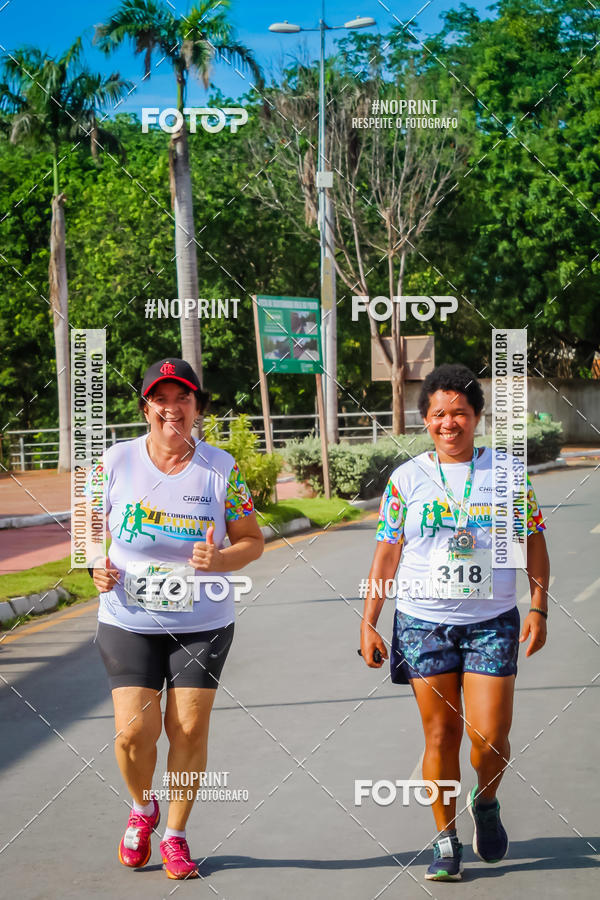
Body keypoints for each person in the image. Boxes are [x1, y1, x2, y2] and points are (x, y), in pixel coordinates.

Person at [360, 363, 549, 881]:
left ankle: (485, 802)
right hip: (423, 622)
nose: (450, 423)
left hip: (492, 620)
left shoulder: (508, 473)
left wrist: (538, 606)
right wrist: (370, 619)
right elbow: (386, 554)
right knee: (441, 735)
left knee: (489, 739)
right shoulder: (407, 478)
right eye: (439, 414)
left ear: (477, 417)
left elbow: (533, 540)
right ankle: (445, 842)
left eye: (460, 413)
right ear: (426, 420)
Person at [90, 358, 264, 880]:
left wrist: (222, 559)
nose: (172, 409)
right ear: (146, 407)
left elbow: (252, 541)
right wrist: (95, 564)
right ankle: (144, 808)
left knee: (186, 727)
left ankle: (176, 835)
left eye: (183, 398)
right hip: (127, 617)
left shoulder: (221, 469)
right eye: (161, 399)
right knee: (132, 735)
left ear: (197, 407)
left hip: (203, 620)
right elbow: (86, 524)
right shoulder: (116, 462)